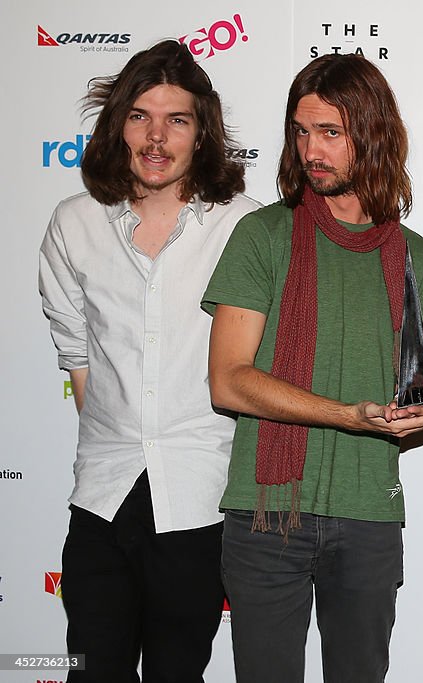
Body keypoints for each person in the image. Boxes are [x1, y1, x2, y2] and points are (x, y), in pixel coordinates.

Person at [202, 53, 423, 683]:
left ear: (371, 135)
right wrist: (350, 416)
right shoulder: (264, 234)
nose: (312, 150)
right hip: (266, 516)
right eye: (301, 131)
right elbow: (228, 380)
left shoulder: (418, 258)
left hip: (369, 515)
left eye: (331, 133)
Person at [38, 40, 257, 682]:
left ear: (202, 132)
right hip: (103, 498)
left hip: (199, 498)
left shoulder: (242, 226)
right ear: (118, 127)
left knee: (176, 673)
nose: (156, 137)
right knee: (91, 670)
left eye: (176, 120)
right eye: (140, 116)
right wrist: (120, 436)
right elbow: (76, 356)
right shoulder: (74, 223)